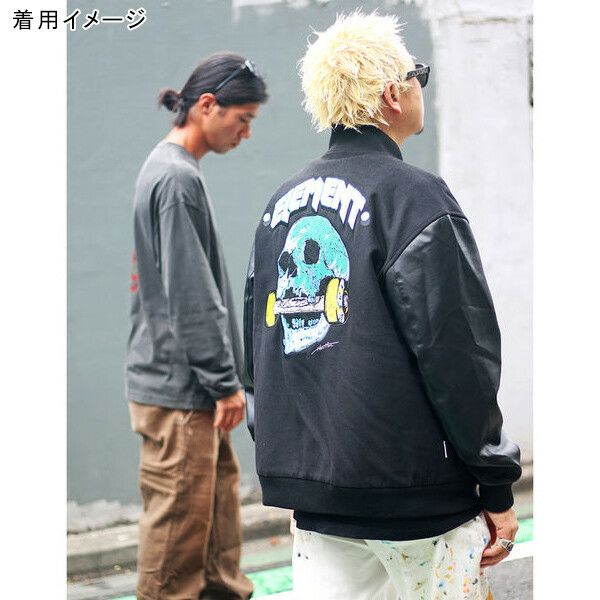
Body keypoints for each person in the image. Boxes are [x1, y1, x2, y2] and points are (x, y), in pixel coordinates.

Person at [243, 12, 521, 600]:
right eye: (419, 75)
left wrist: (295, 471)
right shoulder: (415, 198)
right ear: (393, 94)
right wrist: (495, 484)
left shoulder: (278, 208)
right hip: (419, 501)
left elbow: (258, 356)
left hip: (317, 501)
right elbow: (458, 354)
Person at [126, 52, 267, 600]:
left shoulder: (171, 170)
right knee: (177, 547)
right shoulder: (175, 177)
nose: (246, 133)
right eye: (243, 119)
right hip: (183, 389)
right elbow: (191, 295)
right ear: (207, 105)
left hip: (189, 387)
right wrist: (223, 382)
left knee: (213, 530)